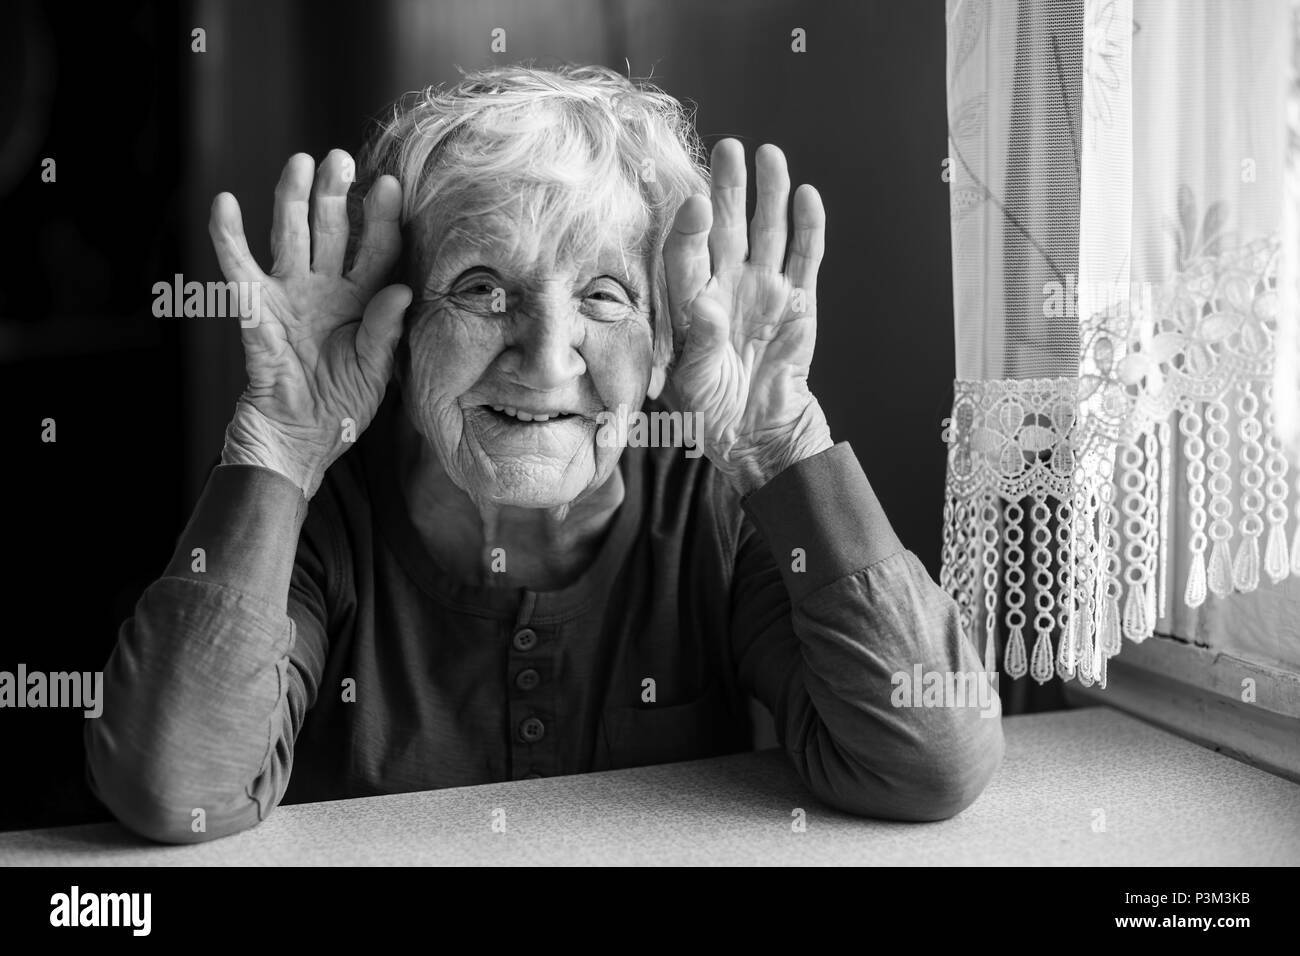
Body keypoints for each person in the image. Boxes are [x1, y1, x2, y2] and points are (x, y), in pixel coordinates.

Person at [85, 63, 1003, 844]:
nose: (546, 355)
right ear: (397, 333)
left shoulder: (716, 512)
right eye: (483, 287)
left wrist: (781, 440)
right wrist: (281, 445)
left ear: (665, 347)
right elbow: (179, 791)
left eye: (605, 296)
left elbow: (927, 762)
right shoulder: (320, 524)